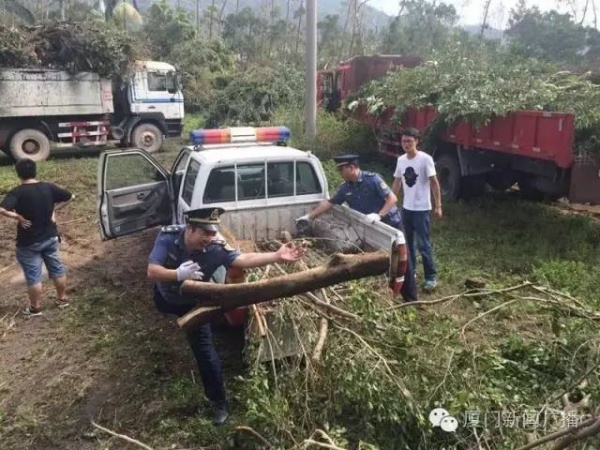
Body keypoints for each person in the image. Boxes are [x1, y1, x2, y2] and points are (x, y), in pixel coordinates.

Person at [147, 207, 305, 426]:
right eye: (206, 233)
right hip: (165, 295)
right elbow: (152, 271)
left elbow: (243, 259)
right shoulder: (168, 237)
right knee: (162, 304)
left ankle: (219, 402)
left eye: (213, 233)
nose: (211, 238)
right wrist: (177, 274)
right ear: (190, 229)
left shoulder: (215, 248)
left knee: (204, 351)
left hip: (194, 304)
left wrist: (276, 256)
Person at [295, 154, 417, 303]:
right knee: (382, 262)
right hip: (371, 228)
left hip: (390, 223)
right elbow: (329, 203)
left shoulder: (372, 180)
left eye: (342, 170)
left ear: (351, 168)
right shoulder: (346, 187)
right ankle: (387, 295)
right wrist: (309, 216)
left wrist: (379, 215)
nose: (340, 174)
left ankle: (411, 298)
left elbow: (392, 198)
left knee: (403, 261)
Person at [0, 158, 74, 316]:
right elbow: (70, 196)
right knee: (57, 269)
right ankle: (62, 299)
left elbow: (1, 209)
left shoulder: (17, 192)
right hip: (51, 237)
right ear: (35, 171)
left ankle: (35, 308)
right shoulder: (48, 187)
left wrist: (18, 217)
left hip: (29, 242)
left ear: (18, 173)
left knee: (34, 276)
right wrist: (54, 211)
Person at [391, 127, 442, 292]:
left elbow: (434, 183)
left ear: (417, 141)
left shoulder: (425, 159)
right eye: (404, 141)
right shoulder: (401, 160)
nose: (406, 144)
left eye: (409, 141)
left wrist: (438, 205)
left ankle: (430, 277)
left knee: (423, 244)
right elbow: (397, 182)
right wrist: (391, 201)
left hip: (421, 210)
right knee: (408, 244)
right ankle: (410, 273)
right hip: (407, 209)